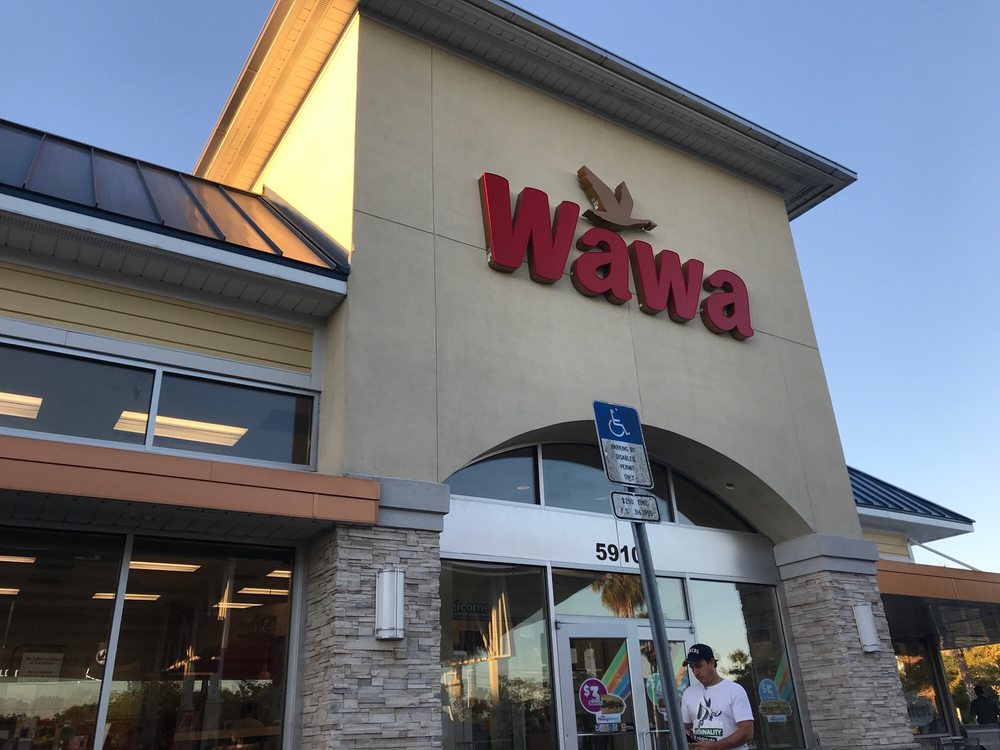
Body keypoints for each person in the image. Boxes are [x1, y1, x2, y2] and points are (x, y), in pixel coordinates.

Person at [681, 643, 754, 750]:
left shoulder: (734, 690)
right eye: (692, 668)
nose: (695, 672)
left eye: (699, 666)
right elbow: (685, 729)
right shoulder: (688, 693)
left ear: (711, 662)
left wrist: (716, 746)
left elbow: (747, 732)